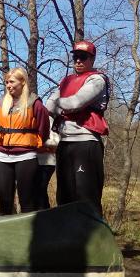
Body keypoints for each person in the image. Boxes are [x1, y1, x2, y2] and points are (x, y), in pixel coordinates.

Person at [46, 40, 109, 215]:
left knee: (86, 197)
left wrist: (59, 104)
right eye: (75, 57)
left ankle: (93, 239)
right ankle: (69, 239)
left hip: (86, 143)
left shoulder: (97, 80)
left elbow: (76, 102)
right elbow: (48, 107)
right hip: (64, 144)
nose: (78, 61)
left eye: (83, 57)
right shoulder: (66, 82)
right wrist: (60, 105)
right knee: (64, 197)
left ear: (92, 59)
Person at [0, 68, 50, 215]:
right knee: (4, 202)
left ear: (23, 82)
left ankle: (29, 235)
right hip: (2, 156)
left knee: (27, 201)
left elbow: (43, 129)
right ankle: (4, 234)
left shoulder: (35, 103)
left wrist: (33, 142)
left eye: (12, 81)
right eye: (6, 82)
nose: (8, 85)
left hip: (26, 156)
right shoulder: (1, 103)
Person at [35, 117, 59, 210]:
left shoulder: (48, 118)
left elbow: (55, 142)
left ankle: (45, 214)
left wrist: (41, 146)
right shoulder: (28, 116)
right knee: (35, 190)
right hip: (32, 161)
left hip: (47, 163)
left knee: (40, 189)